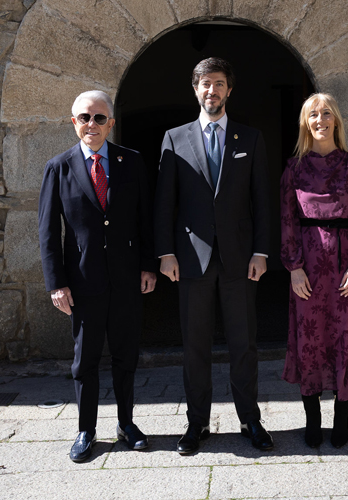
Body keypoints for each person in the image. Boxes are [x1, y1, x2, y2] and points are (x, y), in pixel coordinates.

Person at [154, 57, 273, 454]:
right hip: (191, 259)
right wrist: (165, 253)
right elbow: (164, 202)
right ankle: (196, 424)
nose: (212, 91)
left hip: (241, 259)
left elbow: (262, 200)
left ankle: (249, 420)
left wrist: (261, 250)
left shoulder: (250, 138)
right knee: (195, 346)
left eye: (219, 84)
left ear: (229, 90)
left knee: (244, 343)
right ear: (195, 89)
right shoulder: (175, 137)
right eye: (205, 84)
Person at [38, 90, 157, 463]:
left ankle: (126, 424)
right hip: (83, 283)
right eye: (85, 118)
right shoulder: (58, 167)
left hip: (125, 279)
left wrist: (148, 265)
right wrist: (56, 283)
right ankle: (86, 430)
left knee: (125, 356)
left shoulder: (132, 162)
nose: (92, 125)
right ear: (74, 122)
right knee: (85, 361)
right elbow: (47, 232)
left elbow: (146, 219)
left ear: (111, 122)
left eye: (99, 118)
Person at [279, 93, 348, 448]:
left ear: (336, 120)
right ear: (306, 122)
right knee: (310, 341)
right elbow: (287, 222)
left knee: (345, 338)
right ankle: (312, 419)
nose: (320, 120)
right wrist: (293, 267)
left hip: (344, 268)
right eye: (313, 115)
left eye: (327, 114)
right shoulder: (294, 169)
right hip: (307, 270)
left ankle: (341, 417)